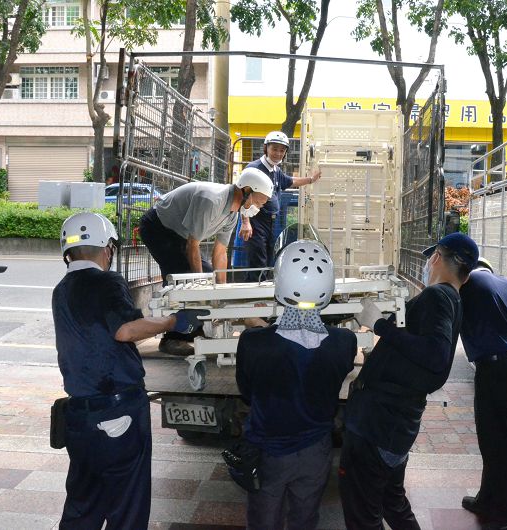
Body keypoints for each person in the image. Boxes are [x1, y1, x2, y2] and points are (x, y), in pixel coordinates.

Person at [53, 212, 208, 529]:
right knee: (127, 507)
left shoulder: (62, 290)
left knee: (83, 505)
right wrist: (174, 322)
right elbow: (125, 329)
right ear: (107, 248)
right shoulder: (107, 281)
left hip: (80, 417)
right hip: (118, 413)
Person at [339, 232, 479, 529]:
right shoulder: (454, 299)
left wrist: (379, 325)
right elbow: (422, 344)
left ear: (437, 257)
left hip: (379, 422)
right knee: (393, 503)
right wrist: (391, 322)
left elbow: (435, 355)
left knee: (362, 513)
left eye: (431, 258)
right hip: (397, 421)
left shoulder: (437, 295)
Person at [235, 239, 356, 530]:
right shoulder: (344, 342)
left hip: (269, 450)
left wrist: (260, 327)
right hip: (317, 450)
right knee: (305, 519)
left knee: (264, 521)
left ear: (279, 285)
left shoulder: (253, 343)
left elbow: (247, 393)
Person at [138, 168, 273, 354]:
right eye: (258, 202)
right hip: (158, 227)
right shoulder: (212, 201)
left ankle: (194, 329)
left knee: (209, 277)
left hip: (181, 235)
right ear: (247, 190)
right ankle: (172, 338)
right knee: (184, 279)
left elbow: (220, 252)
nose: (258, 207)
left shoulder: (232, 214)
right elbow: (193, 245)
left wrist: (222, 294)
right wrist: (200, 287)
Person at [458, 257, 507, 529]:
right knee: (501, 439)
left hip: (496, 370)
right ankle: (487, 499)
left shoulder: (471, 282)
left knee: (500, 443)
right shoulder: (505, 284)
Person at [240, 131, 322, 281]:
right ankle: (254, 292)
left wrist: (311, 179)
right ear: (266, 148)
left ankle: (262, 289)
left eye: (282, 150)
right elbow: (244, 195)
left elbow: (291, 181)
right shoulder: (254, 168)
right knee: (257, 260)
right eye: (274, 149)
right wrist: (246, 222)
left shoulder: (275, 170)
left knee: (268, 258)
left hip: (271, 222)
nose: (278, 153)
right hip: (256, 220)